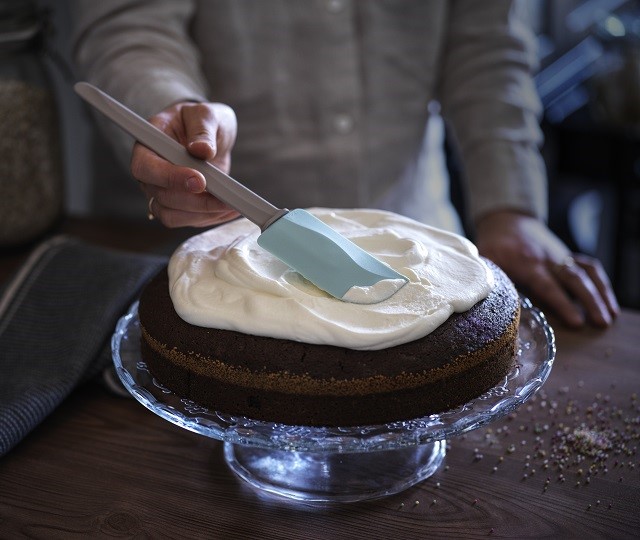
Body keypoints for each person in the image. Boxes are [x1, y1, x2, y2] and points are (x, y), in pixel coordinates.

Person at [71, 0, 619, 328]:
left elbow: (488, 43)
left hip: (423, 237)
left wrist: (509, 209)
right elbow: (129, 25)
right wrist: (168, 113)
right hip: (193, 256)